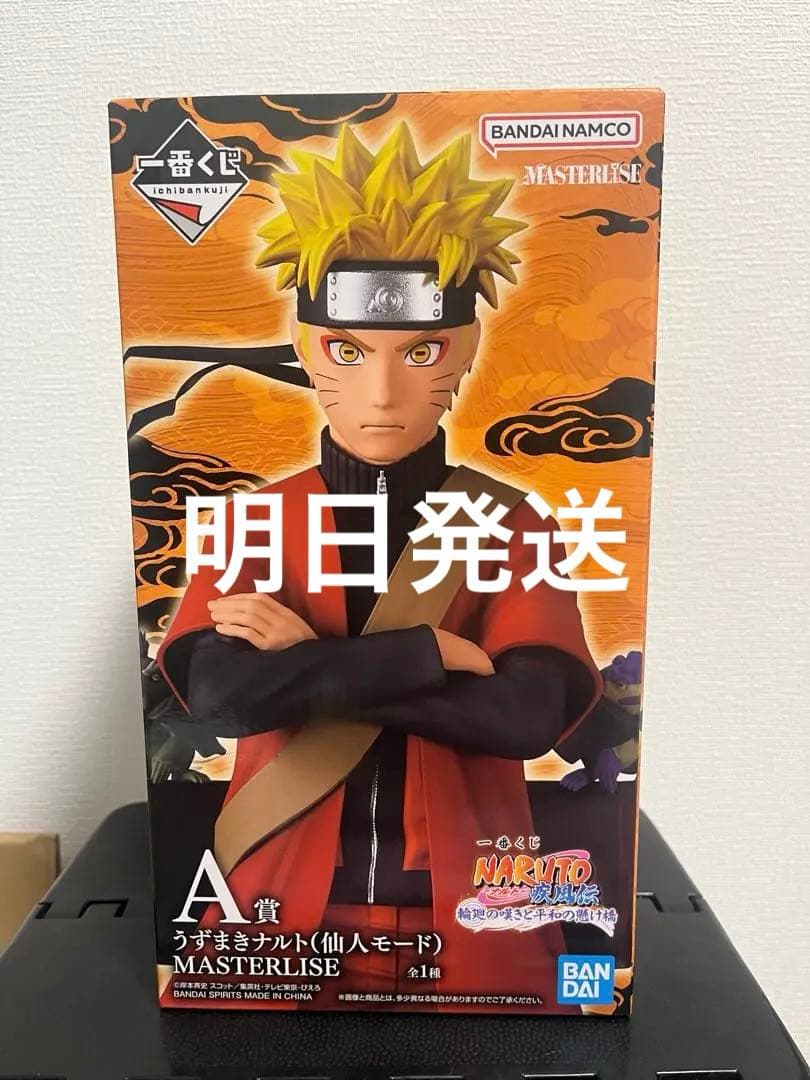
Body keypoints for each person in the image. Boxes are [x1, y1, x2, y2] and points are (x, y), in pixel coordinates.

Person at [158, 122, 608, 1011]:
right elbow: (219, 693)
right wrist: (428, 656)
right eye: (347, 351)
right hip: (271, 909)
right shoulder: (256, 518)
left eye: (422, 352)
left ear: (467, 347)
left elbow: (527, 715)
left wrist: (307, 664)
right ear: (303, 345)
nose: (382, 392)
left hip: (478, 915)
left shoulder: (509, 521)